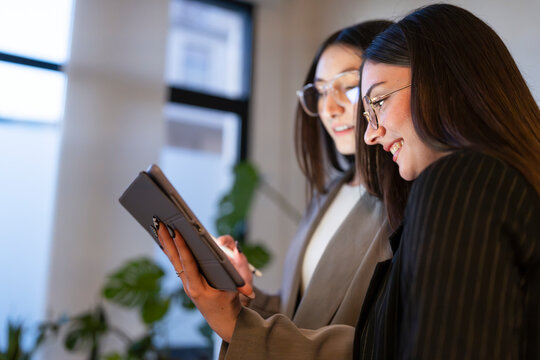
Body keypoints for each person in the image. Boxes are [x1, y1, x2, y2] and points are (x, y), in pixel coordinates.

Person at [156, 20, 408, 359]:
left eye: (348, 86)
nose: (329, 109)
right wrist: (246, 294)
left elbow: (385, 343)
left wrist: (236, 324)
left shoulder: (408, 200)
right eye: (319, 92)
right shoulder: (329, 195)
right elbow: (303, 314)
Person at [354, 4, 539, 359]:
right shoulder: (502, 182)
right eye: (366, 114)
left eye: (378, 101)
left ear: (443, 80)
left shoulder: (461, 182)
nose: (370, 135)